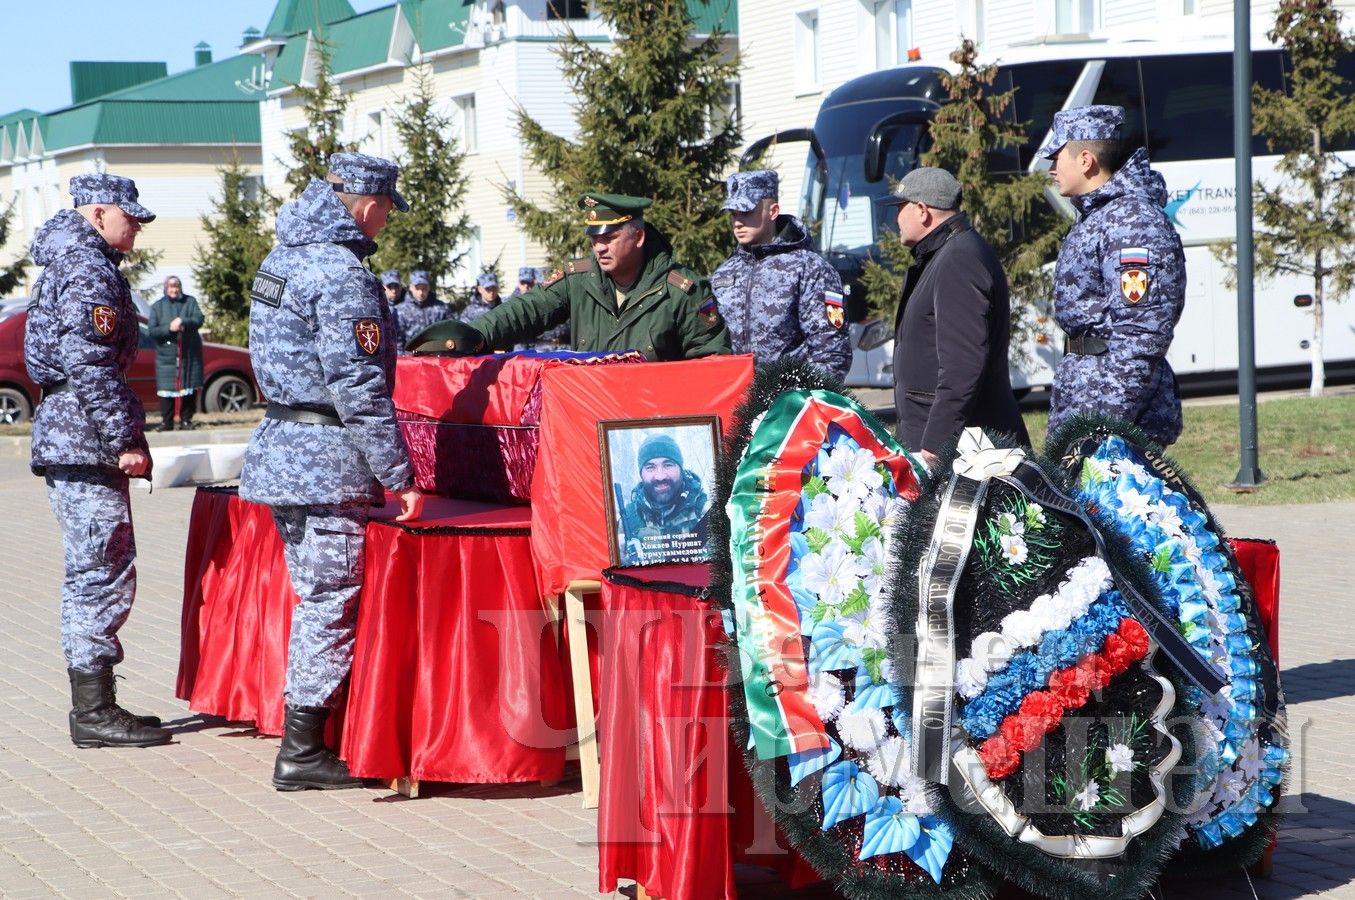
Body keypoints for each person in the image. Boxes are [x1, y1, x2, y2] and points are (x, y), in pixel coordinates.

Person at [240, 151, 425, 791]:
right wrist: (399, 474)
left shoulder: (281, 258)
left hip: (282, 447)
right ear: (370, 206)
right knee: (329, 604)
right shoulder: (342, 274)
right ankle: (303, 751)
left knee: (312, 596)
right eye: (384, 211)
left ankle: (306, 736)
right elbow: (359, 386)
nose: (384, 223)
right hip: (325, 461)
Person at [25, 173, 170, 748]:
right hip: (83, 436)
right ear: (99, 213)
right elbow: (89, 365)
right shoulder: (86, 269)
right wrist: (124, 440)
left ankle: (98, 701)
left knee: (98, 565)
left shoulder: (75, 261)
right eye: (130, 215)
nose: (136, 225)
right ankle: (92, 711)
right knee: (101, 569)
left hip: (74, 434)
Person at [414, 193, 730, 360]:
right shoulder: (581, 279)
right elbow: (527, 310)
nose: (599, 248)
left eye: (609, 238)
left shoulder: (682, 291)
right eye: (594, 239)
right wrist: (468, 338)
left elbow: (712, 364)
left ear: (638, 237)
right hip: (588, 420)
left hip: (655, 428)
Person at [1043, 105, 1187, 446]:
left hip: (1115, 411)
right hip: (1086, 396)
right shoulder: (1098, 216)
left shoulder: (1132, 222)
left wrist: (1105, 424)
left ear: (1086, 160)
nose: (1051, 169)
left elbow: (1141, 332)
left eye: (1057, 157)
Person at [885, 166, 1029, 468]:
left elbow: (963, 363)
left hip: (964, 452)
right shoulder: (943, 254)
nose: (896, 218)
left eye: (900, 208)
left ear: (922, 210)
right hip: (950, 444)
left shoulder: (958, 258)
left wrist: (936, 443)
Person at [710, 171, 850, 378]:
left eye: (746, 212)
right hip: (735, 403)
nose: (737, 222)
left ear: (773, 211)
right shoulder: (724, 274)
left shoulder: (809, 269)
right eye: (733, 214)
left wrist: (796, 400)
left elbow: (831, 353)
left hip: (790, 402)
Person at [618, 432, 709, 565]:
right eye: (650, 467)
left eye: (668, 465)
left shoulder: (707, 513)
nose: (660, 476)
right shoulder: (627, 522)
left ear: (681, 468)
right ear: (641, 473)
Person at [148, 275, 205, 431]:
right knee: (166, 390)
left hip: (189, 353)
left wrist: (183, 321)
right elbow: (152, 331)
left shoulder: (190, 301)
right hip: (166, 355)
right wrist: (169, 329)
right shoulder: (157, 306)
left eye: (177, 287)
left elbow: (199, 319)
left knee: (189, 386)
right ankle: (167, 422)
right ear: (166, 288)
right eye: (171, 287)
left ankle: (186, 420)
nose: (174, 290)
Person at [510, 266, 569, 351]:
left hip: (559, 347)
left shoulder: (560, 299)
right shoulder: (515, 303)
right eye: (523, 282)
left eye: (529, 283)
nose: (526, 286)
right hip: (534, 348)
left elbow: (567, 327)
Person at [393, 270, 451, 352]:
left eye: (424, 288)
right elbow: (397, 343)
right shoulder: (399, 311)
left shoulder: (442, 309)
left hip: (436, 357)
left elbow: (449, 336)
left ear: (429, 287)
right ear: (411, 287)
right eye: (417, 288)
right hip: (410, 359)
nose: (420, 293)